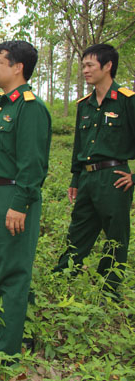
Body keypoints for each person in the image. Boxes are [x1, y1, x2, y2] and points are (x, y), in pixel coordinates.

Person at [0, 41, 51, 358]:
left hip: (14, 196)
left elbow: (32, 164)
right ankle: (22, 327)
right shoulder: (5, 105)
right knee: (1, 265)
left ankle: (6, 348)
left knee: (13, 271)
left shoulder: (29, 107)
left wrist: (20, 203)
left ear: (18, 67)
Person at [53, 44, 135, 299]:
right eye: (83, 65)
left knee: (116, 235)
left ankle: (109, 289)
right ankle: (62, 277)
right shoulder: (85, 104)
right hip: (87, 177)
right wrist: (76, 178)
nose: (85, 70)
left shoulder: (127, 100)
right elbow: (79, 143)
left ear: (108, 65)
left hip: (114, 178)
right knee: (78, 229)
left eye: (90, 65)